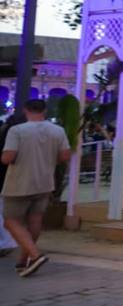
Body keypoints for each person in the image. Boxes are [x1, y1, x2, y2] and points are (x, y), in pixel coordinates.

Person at [1, 100, 71, 277]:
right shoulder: (58, 131)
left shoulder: (17, 130)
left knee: (10, 221)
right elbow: (65, 155)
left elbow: (8, 157)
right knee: (35, 219)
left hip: (19, 182)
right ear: (44, 111)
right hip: (45, 181)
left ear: (25, 110)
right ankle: (24, 261)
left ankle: (35, 255)